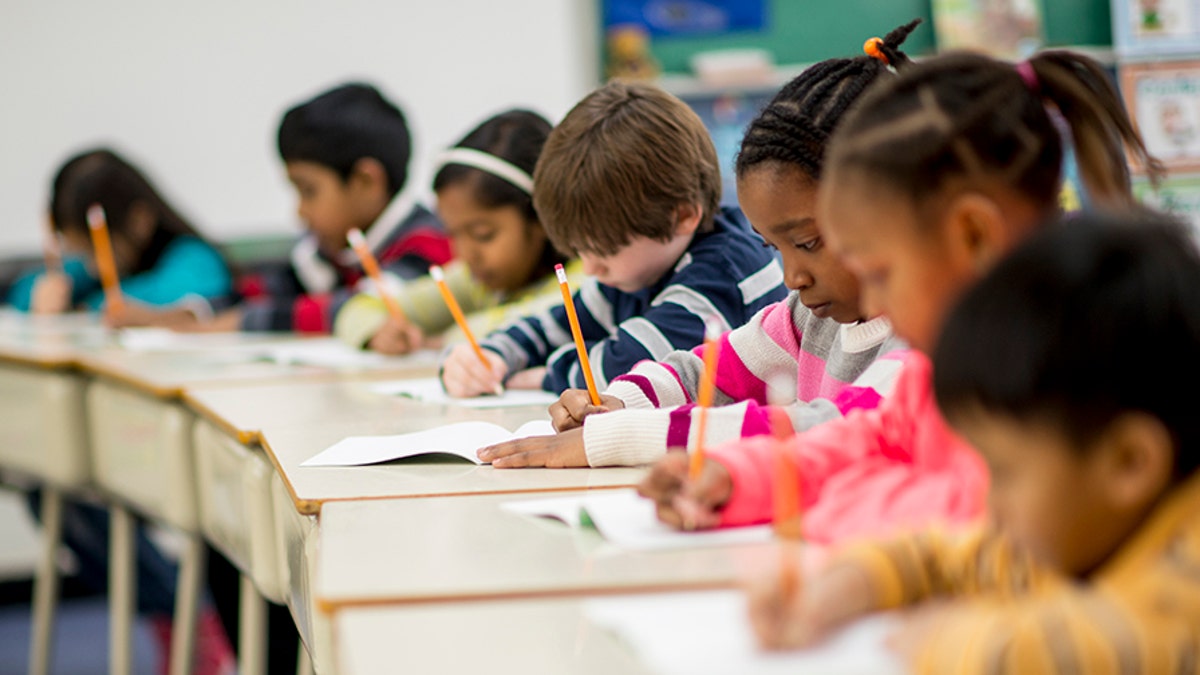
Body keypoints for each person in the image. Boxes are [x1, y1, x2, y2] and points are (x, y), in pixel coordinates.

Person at [638, 47, 1162, 545]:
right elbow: (867, 440)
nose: (874, 308)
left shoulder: (1064, 363)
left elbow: (964, 515)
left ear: (974, 237)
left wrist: (833, 519)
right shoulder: (942, 364)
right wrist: (735, 477)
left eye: (882, 272)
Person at [748, 212, 1200, 673]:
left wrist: (946, 636)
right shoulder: (1088, 529)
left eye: (1002, 471)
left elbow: (1045, 655)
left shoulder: (1185, 582)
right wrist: (841, 586)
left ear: (1129, 464)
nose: (988, 499)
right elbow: (945, 554)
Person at [477, 22, 923, 469]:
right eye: (775, 246)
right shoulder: (804, 318)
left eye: (807, 243)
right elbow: (703, 372)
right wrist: (618, 403)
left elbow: (827, 429)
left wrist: (630, 435)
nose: (792, 277)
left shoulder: (929, 339)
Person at [440, 80, 786, 397]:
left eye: (604, 249)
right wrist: (489, 355)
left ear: (681, 215)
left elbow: (636, 367)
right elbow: (558, 325)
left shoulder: (724, 269)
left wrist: (548, 374)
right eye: (579, 249)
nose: (590, 267)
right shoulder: (633, 270)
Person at [151, 82, 451, 333]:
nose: (299, 212)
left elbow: (360, 309)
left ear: (365, 182)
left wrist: (243, 322)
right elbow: (267, 289)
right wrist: (197, 312)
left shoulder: (430, 244)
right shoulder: (330, 252)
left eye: (309, 191)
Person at [334, 109, 583, 354]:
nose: (465, 254)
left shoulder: (592, 279)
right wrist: (379, 330)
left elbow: (532, 324)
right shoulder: (474, 282)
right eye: (452, 233)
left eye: (483, 234)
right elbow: (356, 308)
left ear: (541, 218)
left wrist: (446, 338)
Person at [7, 148, 233, 321]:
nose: (90, 265)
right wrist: (42, 296)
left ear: (139, 221)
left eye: (92, 250)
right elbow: (21, 291)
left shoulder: (194, 258)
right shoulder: (89, 272)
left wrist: (81, 309)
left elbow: (188, 298)